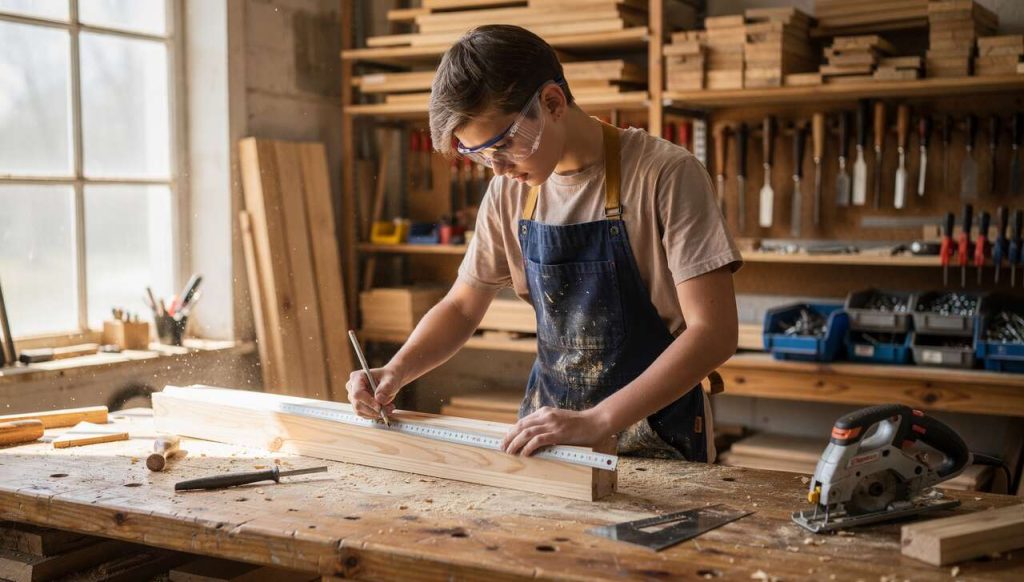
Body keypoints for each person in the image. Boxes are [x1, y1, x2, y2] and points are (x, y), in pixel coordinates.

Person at [346, 25, 741, 462]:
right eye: (480, 155)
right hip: (552, 436)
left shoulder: (664, 175)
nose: (497, 169)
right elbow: (461, 307)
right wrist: (396, 370)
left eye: (503, 144)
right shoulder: (509, 192)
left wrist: (598, 420)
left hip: (659, 437)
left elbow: (714, 333)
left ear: (552, 103)